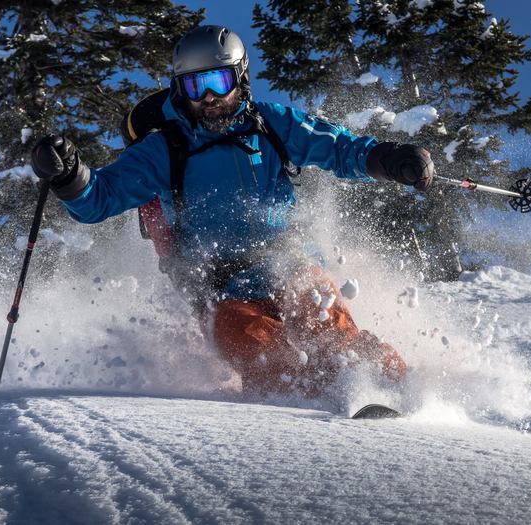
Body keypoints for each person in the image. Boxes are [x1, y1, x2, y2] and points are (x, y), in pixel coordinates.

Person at [30, 25, 435, 397]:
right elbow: (101, 198)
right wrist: (71, 178)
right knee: (257, 346)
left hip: (289, 264)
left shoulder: (271, 125)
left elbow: (340, 149)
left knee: (328, 325)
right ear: (179, 89)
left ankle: (397, 390)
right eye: (194, 86)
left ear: (239, 77)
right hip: (223, 288)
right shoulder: (164, 148)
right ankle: (306, 409)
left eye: (217, 82)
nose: (207, 98)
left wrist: (389, 158)